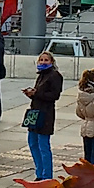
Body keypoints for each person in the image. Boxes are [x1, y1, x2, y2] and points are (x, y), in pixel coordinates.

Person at [24, 51, 63, 181]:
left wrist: (35, 94)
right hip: (35, 111)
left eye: (46, 60)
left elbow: (54, 95)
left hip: (45, 113)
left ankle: (47, 175)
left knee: (43, 145)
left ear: (51, 62)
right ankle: (39, 172)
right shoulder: (41, 75)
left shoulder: (54, 76)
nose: (43, 62)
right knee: (32, 143)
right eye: (41, 60)